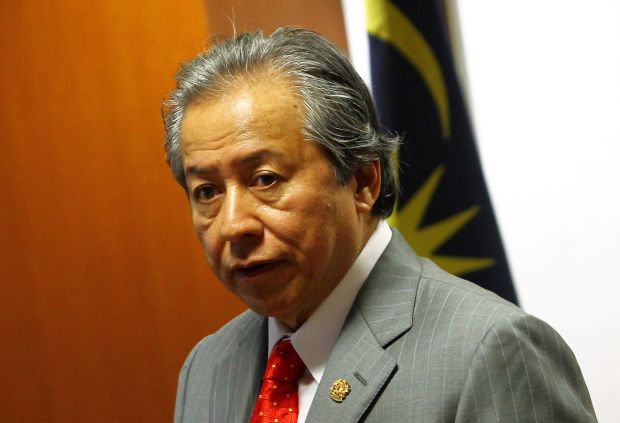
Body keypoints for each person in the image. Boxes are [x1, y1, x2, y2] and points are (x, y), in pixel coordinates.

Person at [163, 28, 596, 422]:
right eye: (207, 191)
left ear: (362, 181)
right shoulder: (207, 367)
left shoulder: (491, 351)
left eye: (265, 180)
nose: (233, 225)